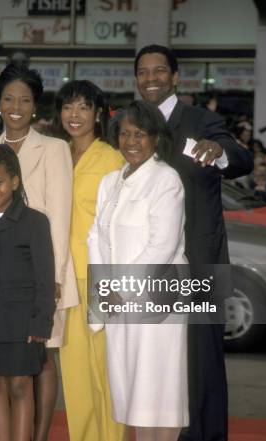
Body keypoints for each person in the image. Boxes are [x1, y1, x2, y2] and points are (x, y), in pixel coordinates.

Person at [134, 44, 254, 441]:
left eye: (159, 71)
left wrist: (220, 151)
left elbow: (241, 158)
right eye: (143, 72)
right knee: (154, 361)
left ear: (174, 77)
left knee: (200, 359)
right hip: (145, 262)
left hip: (199, 259)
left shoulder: (202, 120)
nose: (151, 78)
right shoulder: (128, 126)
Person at [0, 64, 78, 441]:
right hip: (1, 284)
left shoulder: (54, 148)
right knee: (3, 378)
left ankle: (39, 435)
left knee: (42, 359)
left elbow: (60, 215)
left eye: (25, 100)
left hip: (43, 273)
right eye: (8, 98)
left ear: (35, 107)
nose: (16, 106)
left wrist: (56, 280)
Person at [88, 101, 188, 441]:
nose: (131, 141)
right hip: (118, 301)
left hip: (156, 299)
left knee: (158, 390)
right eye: (125, 133)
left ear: (156, 138)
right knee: (132, 388)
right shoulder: (110, 182)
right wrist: (104, 293)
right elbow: (95, 239)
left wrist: (121, 290)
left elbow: (162, 246)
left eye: (140, 134)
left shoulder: (166, 180)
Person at [53, 80, 126, 441]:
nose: (75, 115)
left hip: (100, 278)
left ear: (98, 112)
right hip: (64, 280)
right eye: (69, 107)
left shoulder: (111, 158)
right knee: (76, 373)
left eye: (83, 107)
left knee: (105, 371)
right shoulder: (57, 154)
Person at [0, 144, 56, 441]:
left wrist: (41, 322)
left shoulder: (35, 222)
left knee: (21, 388)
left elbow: (46, 279)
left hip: (21, 321)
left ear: (15, 182)